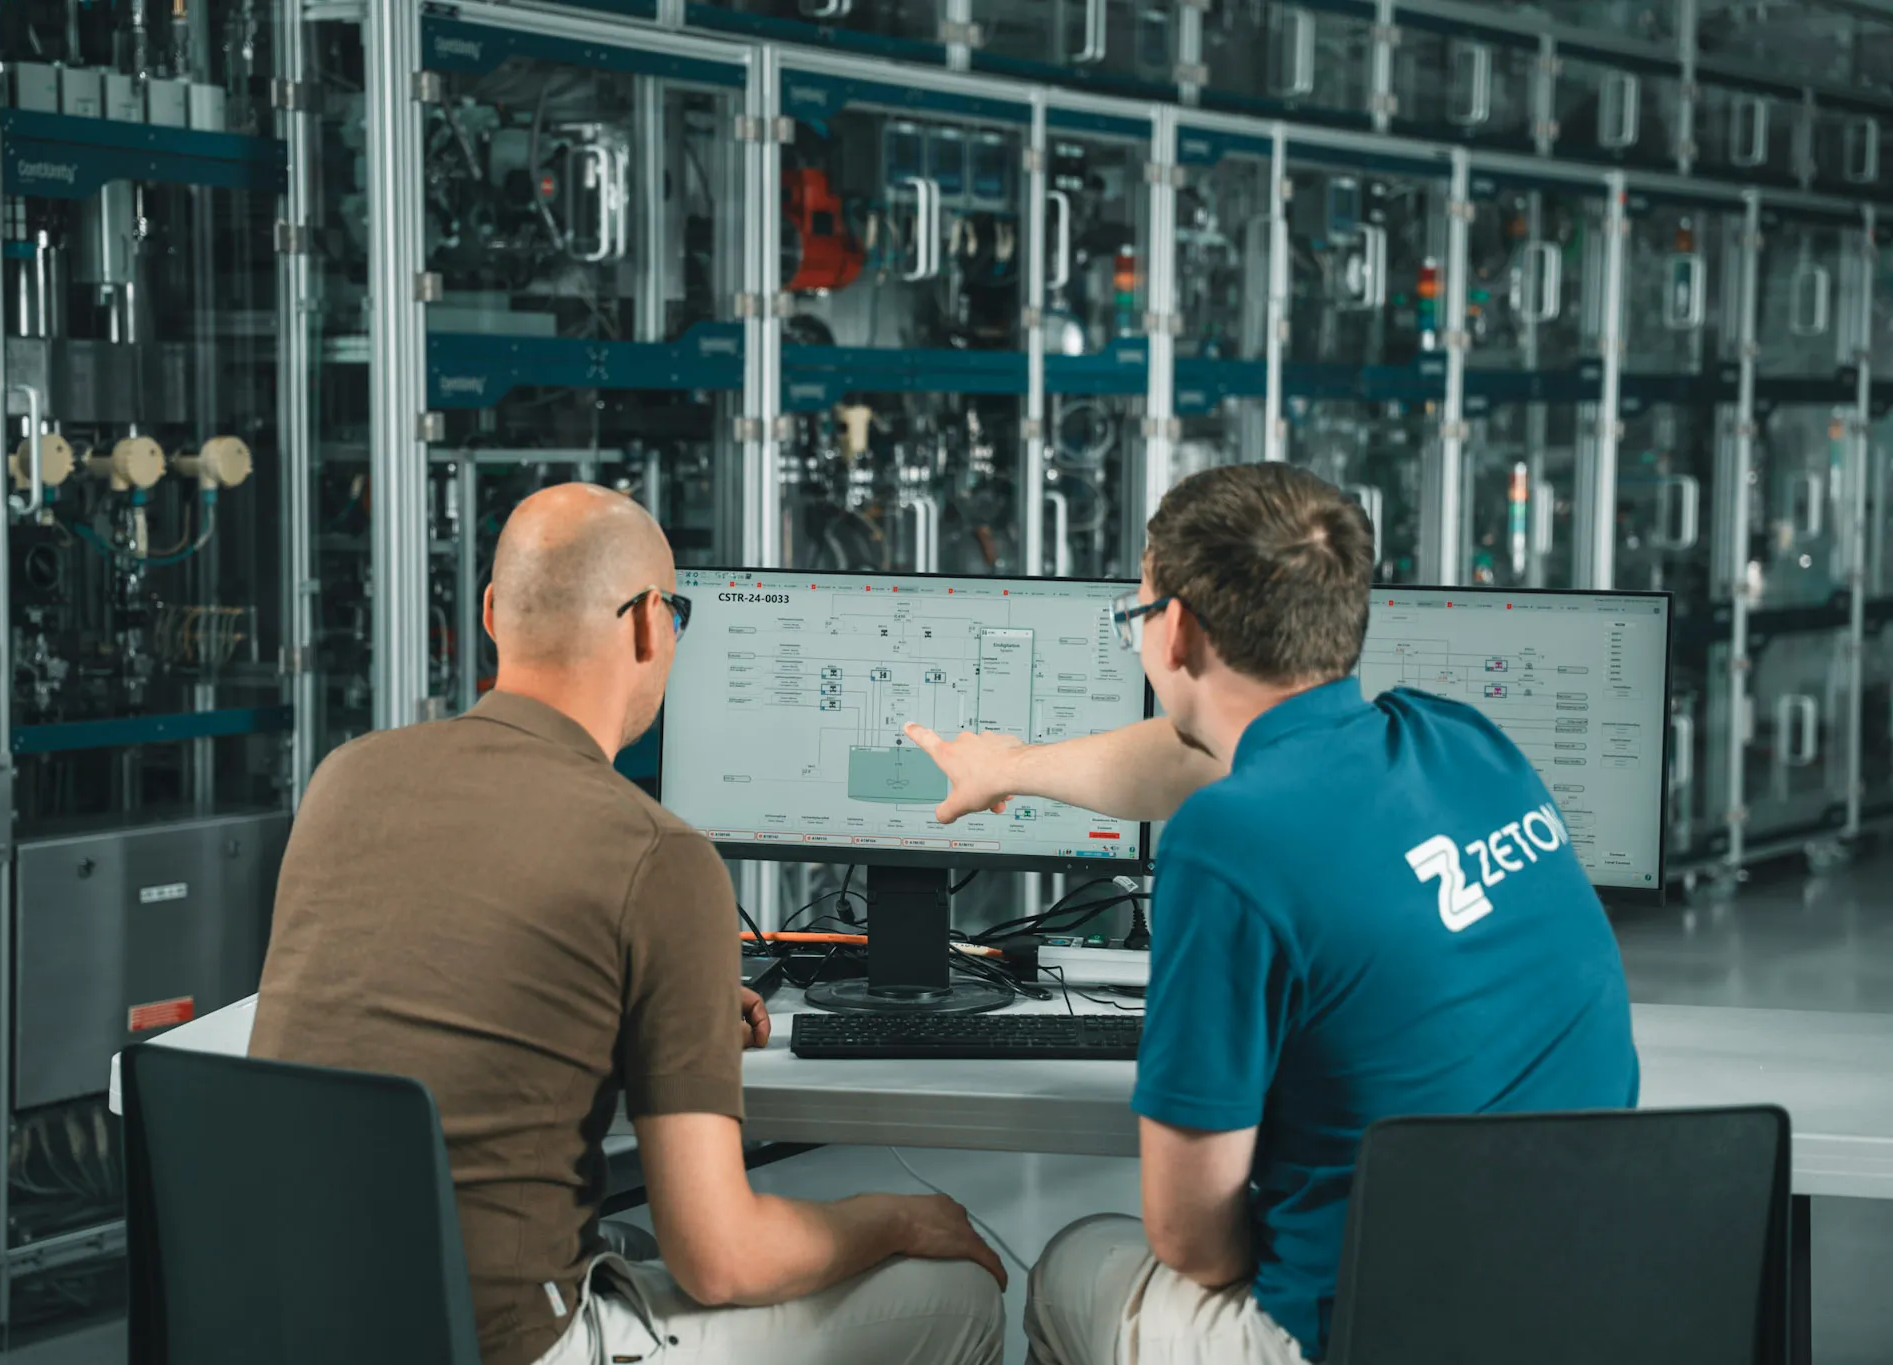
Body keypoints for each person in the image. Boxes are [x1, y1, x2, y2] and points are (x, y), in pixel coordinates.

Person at [252, 483, 1005, 1365]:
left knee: (632, 1252)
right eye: (677, 614)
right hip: (504, 1346)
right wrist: (892, 1216)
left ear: (492, 614)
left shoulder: (344, 780)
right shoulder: (655, 852)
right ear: (652, 622)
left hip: (292, 1326)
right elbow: (721, 1257)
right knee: (952, 1290)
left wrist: (656, 1011)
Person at [904, 463, 1638, 1365]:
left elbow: (1190, 1241)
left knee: (1071, 1265)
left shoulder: (1224, 842)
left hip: (1359, 1334)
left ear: (1173, 629)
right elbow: (1201, 757)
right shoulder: (1461, 740)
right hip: (1577, 1313)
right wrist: (1011, 764)